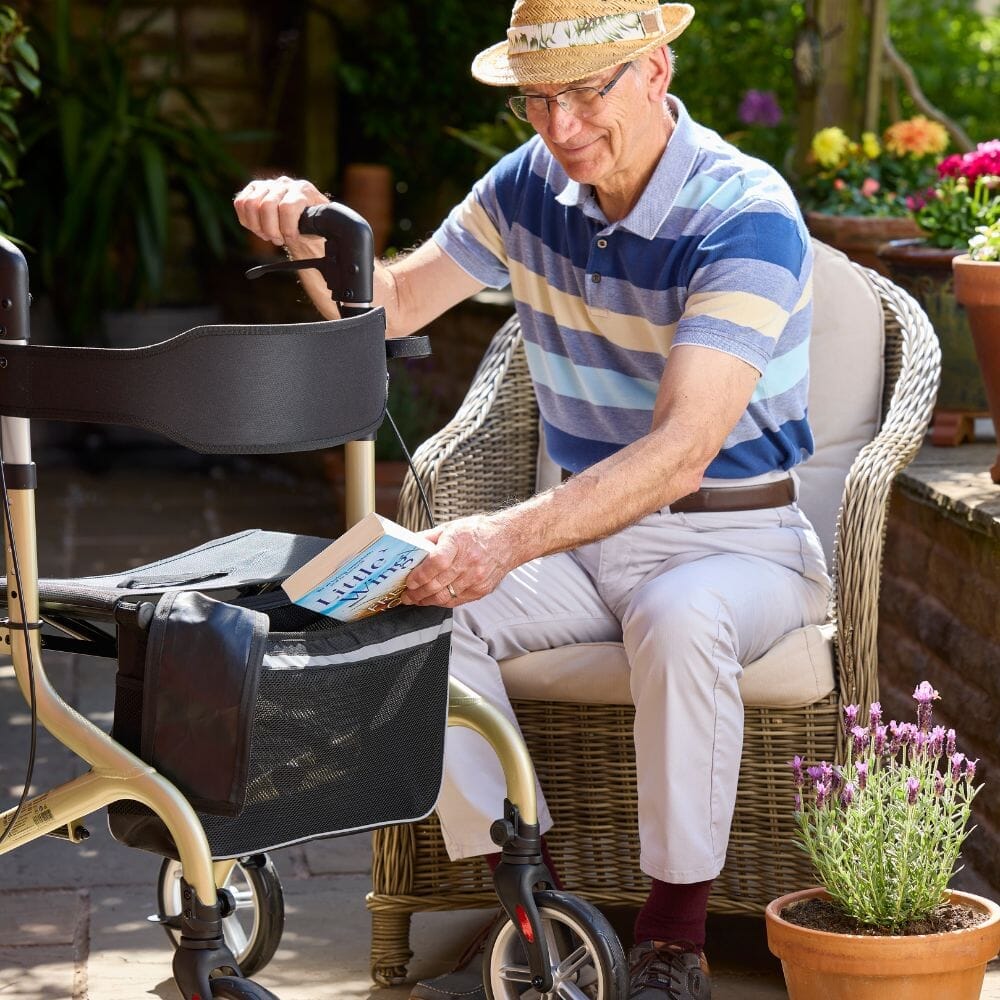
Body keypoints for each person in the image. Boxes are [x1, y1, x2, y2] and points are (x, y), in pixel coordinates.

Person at [234, 2, 830, 997]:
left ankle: (671, 941)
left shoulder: (743, 211)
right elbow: (390, 306)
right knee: (426, 606)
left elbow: (683, 450)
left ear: (655, 69)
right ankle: (533, 907)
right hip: (594, 541)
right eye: (538, 100)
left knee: (680, 618)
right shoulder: (527, 187)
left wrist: (503, 535)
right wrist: (309, 233)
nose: (560, 128)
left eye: (588, 91)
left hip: (740, 541)